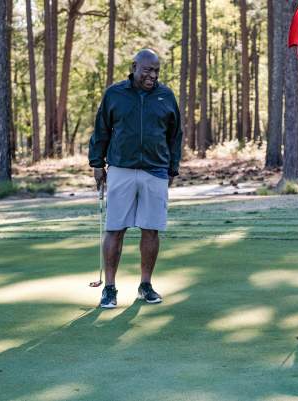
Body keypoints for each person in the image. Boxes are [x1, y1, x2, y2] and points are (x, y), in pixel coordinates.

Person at [89, 49, 182, 308]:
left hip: (155, 170)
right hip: (121, 168)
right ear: (134, 67)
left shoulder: (166, 96)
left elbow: (175, 135)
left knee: (151, 229)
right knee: (115, 229)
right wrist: (97, 164)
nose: (152, 75)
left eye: (156, 71)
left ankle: (145, 285)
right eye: (147, 70)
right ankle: (109, 288)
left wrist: (172, 168)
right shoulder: (114, 94)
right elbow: (101, 129)